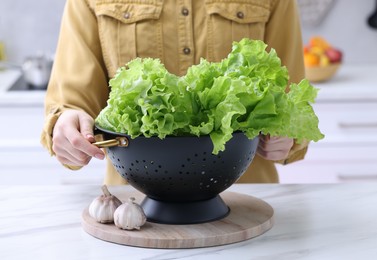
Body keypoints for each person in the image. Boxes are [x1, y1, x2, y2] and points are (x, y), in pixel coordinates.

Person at [41, 0, 309, 185]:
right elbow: (71, 103)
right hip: (135, 207)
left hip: (245, 199)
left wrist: (285, 135)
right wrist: (68, 127)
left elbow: (290, 98)